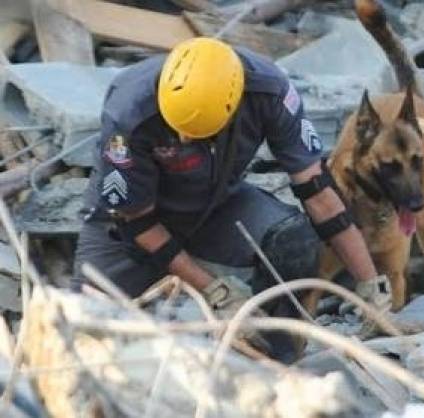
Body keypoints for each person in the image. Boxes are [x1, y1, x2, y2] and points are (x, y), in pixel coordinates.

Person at [73, 37, 390, 363]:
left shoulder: (269, 92)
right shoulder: (130, 112)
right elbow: (136, 221)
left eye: (194, 134)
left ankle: (275, 358)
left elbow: (319, 192)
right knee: (83, 332)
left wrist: (371, 289)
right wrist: (217, 292)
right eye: (177, 130)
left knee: (294, 241)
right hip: (130, 223)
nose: (183, 140)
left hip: (217, 205)